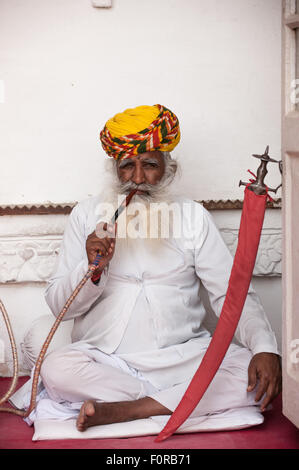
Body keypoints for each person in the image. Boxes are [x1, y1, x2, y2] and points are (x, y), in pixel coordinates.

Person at [38, 104, 281, 432]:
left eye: (150, 165)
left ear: (168, 168)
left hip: (183, 358)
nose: (138, 178)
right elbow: (59, 306)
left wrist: (264, 347)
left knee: (247, 370)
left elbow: (231, 294)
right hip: (109, 361)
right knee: (56, 369)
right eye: (127, 166)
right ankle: (174, 402)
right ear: (115, 169)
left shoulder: (193, 216)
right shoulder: (86, 215)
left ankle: (130, 409)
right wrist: (92, 267)